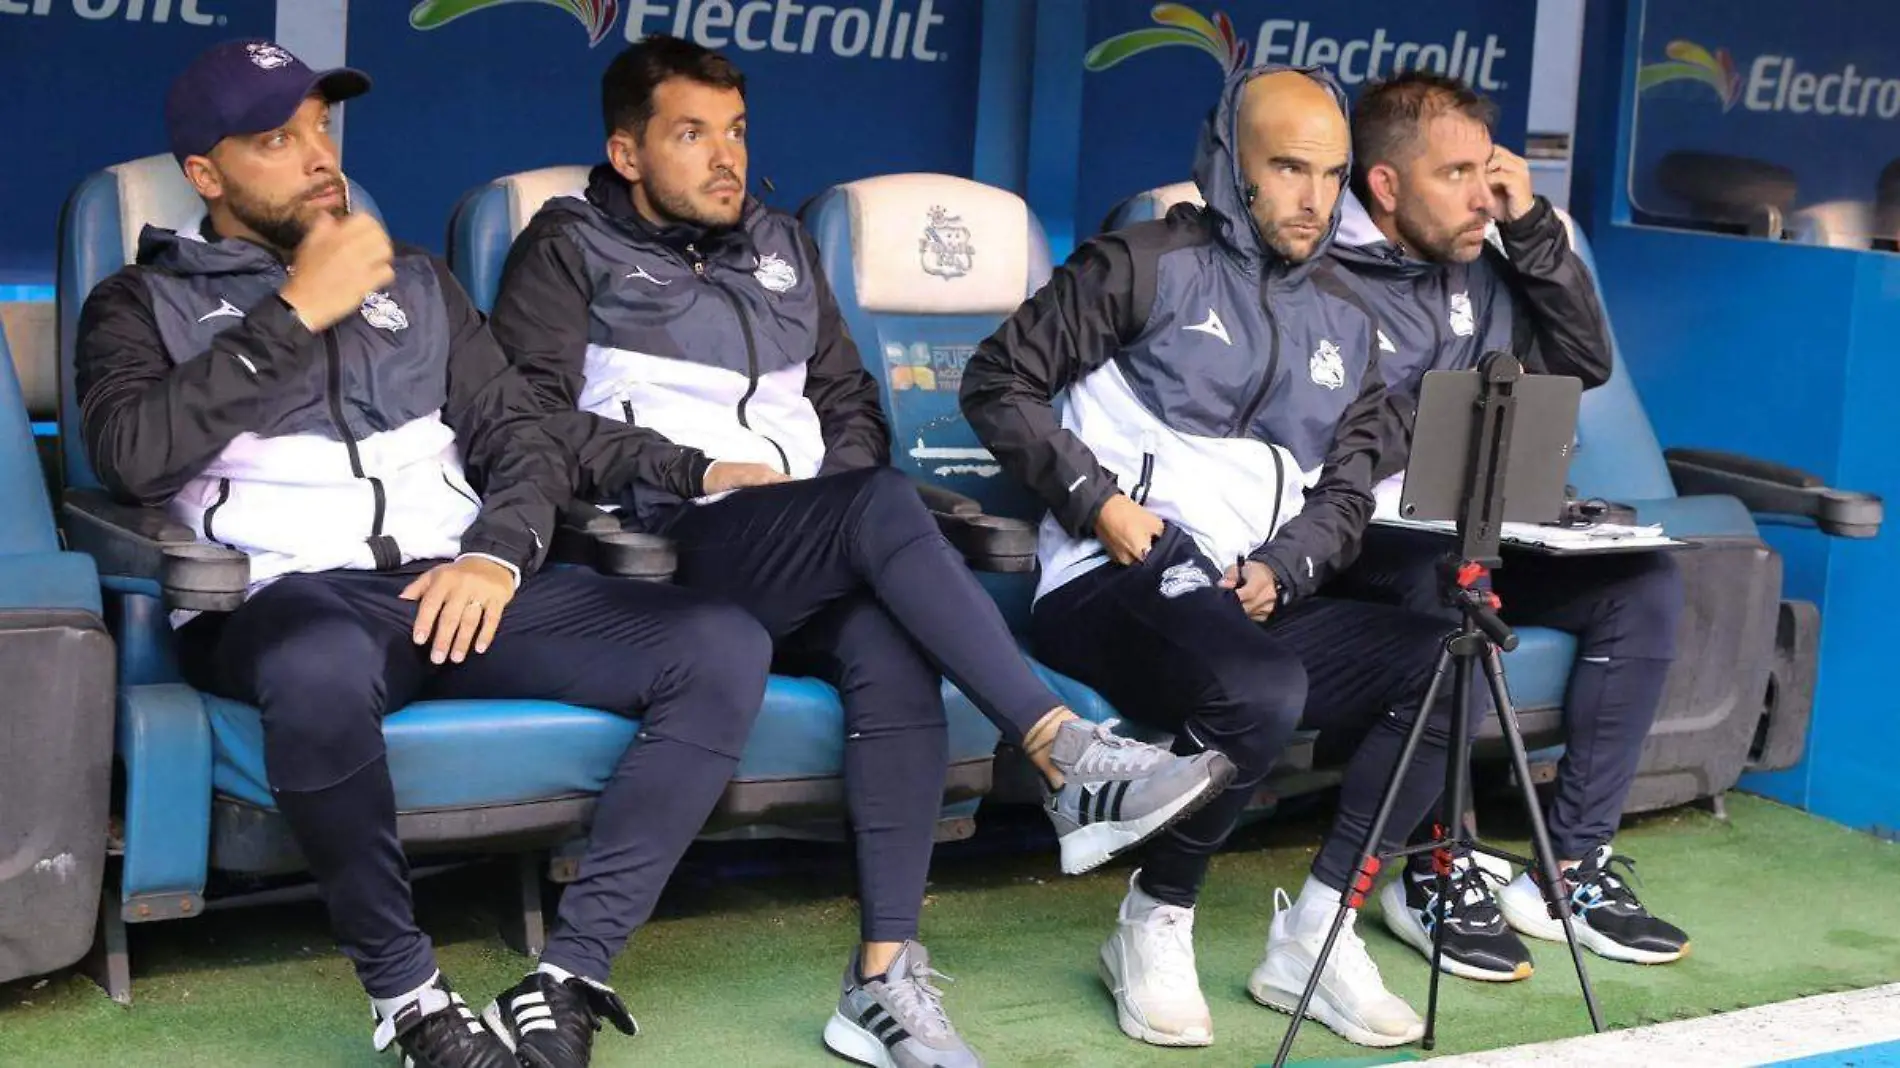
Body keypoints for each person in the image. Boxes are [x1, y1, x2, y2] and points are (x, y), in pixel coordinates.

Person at [486, 35, 1233, 1068]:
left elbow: (850, 407)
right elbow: (528, 425)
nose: (725, 158)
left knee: (888, 633)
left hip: (799, 544)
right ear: (625, 151)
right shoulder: (567, 247)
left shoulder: (782, 246)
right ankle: (1063, 749)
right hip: (671, 542)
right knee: (877, 507)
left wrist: (824, 493)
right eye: (691, 134)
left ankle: (882, 981)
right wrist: (698, 471)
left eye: (736, 132)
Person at [76, 39, 780, 1068]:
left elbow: (524, 442)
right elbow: (129, 455)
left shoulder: (417, 281)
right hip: (287, 598)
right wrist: (293, 310)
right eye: (278, 139)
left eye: (321, 129)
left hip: (456, 585)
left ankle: (567, 976)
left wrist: (496, 556)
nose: (319, 157)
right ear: (205, 175)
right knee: (320, 665)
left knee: (718, 643)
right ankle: (409, 1002)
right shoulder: (141, 303)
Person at [962, 64, 1481, 1051]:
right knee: (1258, 684)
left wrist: (1285, 568)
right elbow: (998, 384)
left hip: (1248, 594)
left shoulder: (1348, 318)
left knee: (1453, 662)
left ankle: (1317, 932)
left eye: (1331, 175)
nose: (1312, 197)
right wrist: (1096, 500)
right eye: (1288, 168)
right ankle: (1153, 924)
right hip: (1111, 576)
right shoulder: (1139, 264)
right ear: (1229, 164)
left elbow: (1344, 489)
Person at [1328, 70, 1690, 980]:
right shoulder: (1319, 269)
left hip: (1486, 521)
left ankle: (1568, 866)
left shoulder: (1492, 251)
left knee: (1641, 587)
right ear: (1384, 184)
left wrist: (1530, 229)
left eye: (1488, 172)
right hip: (1364, 537)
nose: (1481, 195)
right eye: (1456, 175)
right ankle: (1433, 866)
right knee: (1446, 590)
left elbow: (1581, 359)